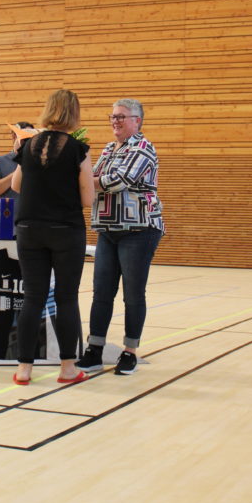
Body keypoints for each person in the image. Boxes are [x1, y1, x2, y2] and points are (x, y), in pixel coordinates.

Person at [10, 90, 93, 385]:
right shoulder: (79, 149)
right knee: (66, 298)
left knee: (32, 297)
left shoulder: (28, 145)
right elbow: (87, 199)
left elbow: (16, 185)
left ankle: (24, 369)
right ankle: (67, 368)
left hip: (29, 229)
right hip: (65, 230)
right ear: (74, 114)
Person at [77, 98, 164, 376]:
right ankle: (94, 349)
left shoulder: (143, 147)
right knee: (101, 291)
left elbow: (117, 181)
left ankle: (129, 352)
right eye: (113, 116)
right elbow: (94, 177)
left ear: (137, 121)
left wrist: (80, 181)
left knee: (133, 294)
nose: (115, 121)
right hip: (108, 229)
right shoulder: (107, 149)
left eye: (121, 116)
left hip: (139, 230)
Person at [0, 123, 34, 201]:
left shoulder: (39, 160)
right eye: (24, 137)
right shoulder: (1, 161)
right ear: (14, 136)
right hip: (7, 208)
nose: (27, 142)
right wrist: (17, 174)